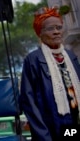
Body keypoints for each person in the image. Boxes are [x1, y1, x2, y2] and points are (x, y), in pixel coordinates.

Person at [19, 6, 80, 141]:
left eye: (59, 27)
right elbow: (28, 101)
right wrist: (43, 135)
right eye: (50, 29)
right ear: (40, 33)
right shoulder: (33, 60)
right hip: (51, 125)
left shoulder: (71, 56)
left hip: (74, 121)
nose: (56, 32)